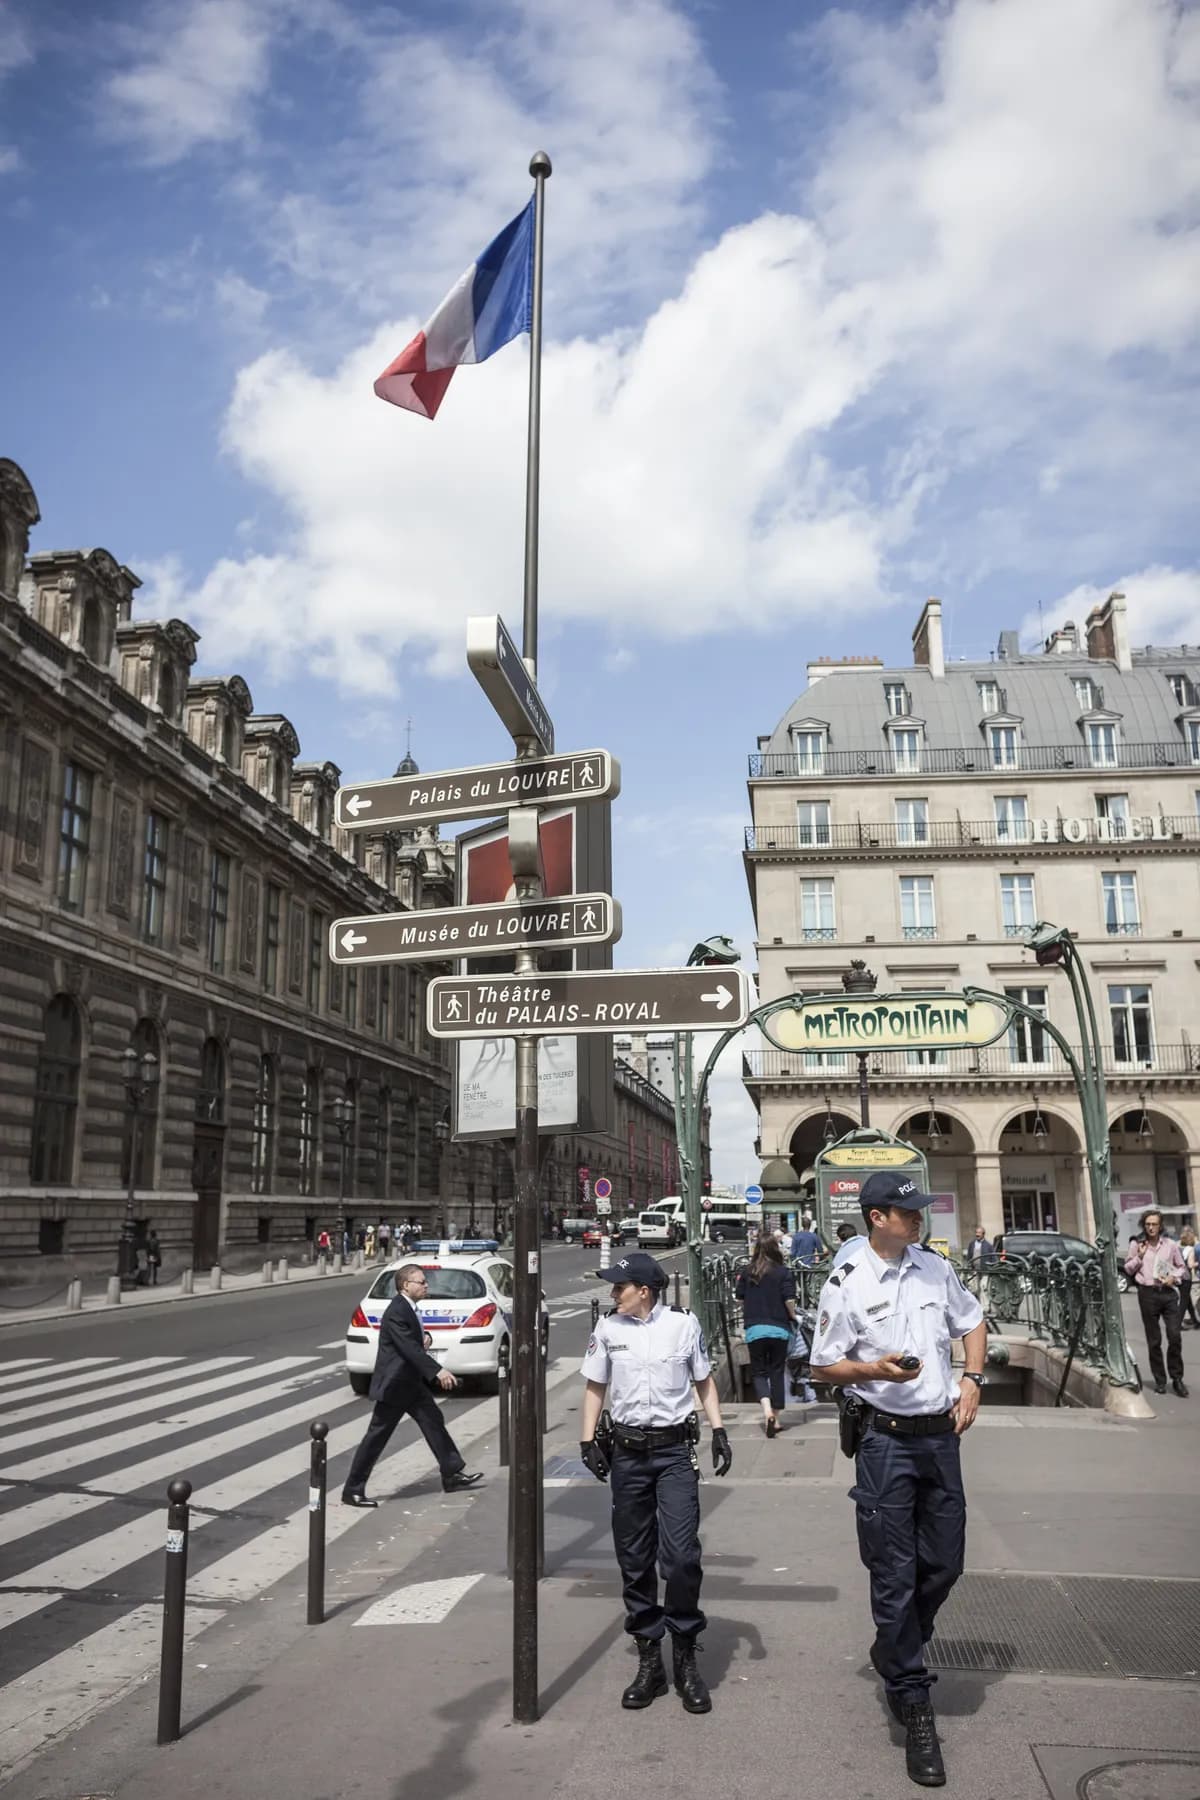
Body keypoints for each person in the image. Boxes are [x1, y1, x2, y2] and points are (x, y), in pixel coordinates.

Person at [811, 1170, 987, 1790]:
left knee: (945, 1564)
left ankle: (893, 1649)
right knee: (893, 1572)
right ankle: (913, 1699)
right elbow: (823, 1366)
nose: (919, 1219)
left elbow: (972, 1321)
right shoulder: (847, 1281)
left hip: (940, 1438)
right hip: (884, 1442)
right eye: (909, 1212)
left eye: (919, 1211)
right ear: (877, 1217)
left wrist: (973, 1379)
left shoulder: (935, 1268)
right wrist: (873, 1369)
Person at [579, 1252, 732, 1715]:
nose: (612, 1294)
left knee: (682, 1556)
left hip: (673, 1454)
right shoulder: (608, 1329)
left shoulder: (683, 1325)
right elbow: (595, 1386)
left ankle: (684, 1653)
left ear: (644, 1291)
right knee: (634, 1557)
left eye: (619, 1287)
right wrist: (587, 1440)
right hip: (627, 1455)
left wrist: (719, 1431)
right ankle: (650, 1659)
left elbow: (703, 1380)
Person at [341, 1264, 484, 1506]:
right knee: (376, 1436)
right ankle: (352, 1490)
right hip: (395, 1384)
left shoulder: (409, 1307)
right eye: (422, 1282)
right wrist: (438, 1371)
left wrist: (425, 1338)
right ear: (406, 1285)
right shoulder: (397, 1310)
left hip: (410, 1383)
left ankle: (451, 1473)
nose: (427, 1286)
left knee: (433, 1421)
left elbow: (412, 1340)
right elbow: (407, 1348)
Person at [735, 1234, 797, 1436]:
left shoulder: (748, 1272)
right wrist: (793, 1315)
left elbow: (739, 1298)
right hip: (779, 1328)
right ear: (775, 1249)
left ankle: (767, 1411)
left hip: (755, 1329)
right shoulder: (783, 1272)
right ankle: (776, 1419)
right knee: (777, 1371)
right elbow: (789, 1299)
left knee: (759, 1372)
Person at [1125, 1211, 1188, 1397]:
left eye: (1154, 1224)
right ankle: (1160, 1380)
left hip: (1168, 1294)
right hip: (1148, 1294)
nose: (1151, 1228)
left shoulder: (1170, 1245)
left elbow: (1182, 1268)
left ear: (1160, 1226)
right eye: (1148, 1224)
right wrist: (1140, 1256)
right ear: (1143, 1226)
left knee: (1174, 1336)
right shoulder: (1137, 1244)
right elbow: (1128, 1268)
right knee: (1154, 1340)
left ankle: (1177, 1379)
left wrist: (1173, 1277)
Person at [1180, 1227, 1198, 1329]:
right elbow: (1190, 1265)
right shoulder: (1191, 1249)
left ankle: (1195, 1321)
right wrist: (1197, 1263)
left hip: (1180, 1276)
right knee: (1184, 1302)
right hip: (1186, 1277)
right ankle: (1177, 1323)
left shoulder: (1182, 1249)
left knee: (1188, 1302)